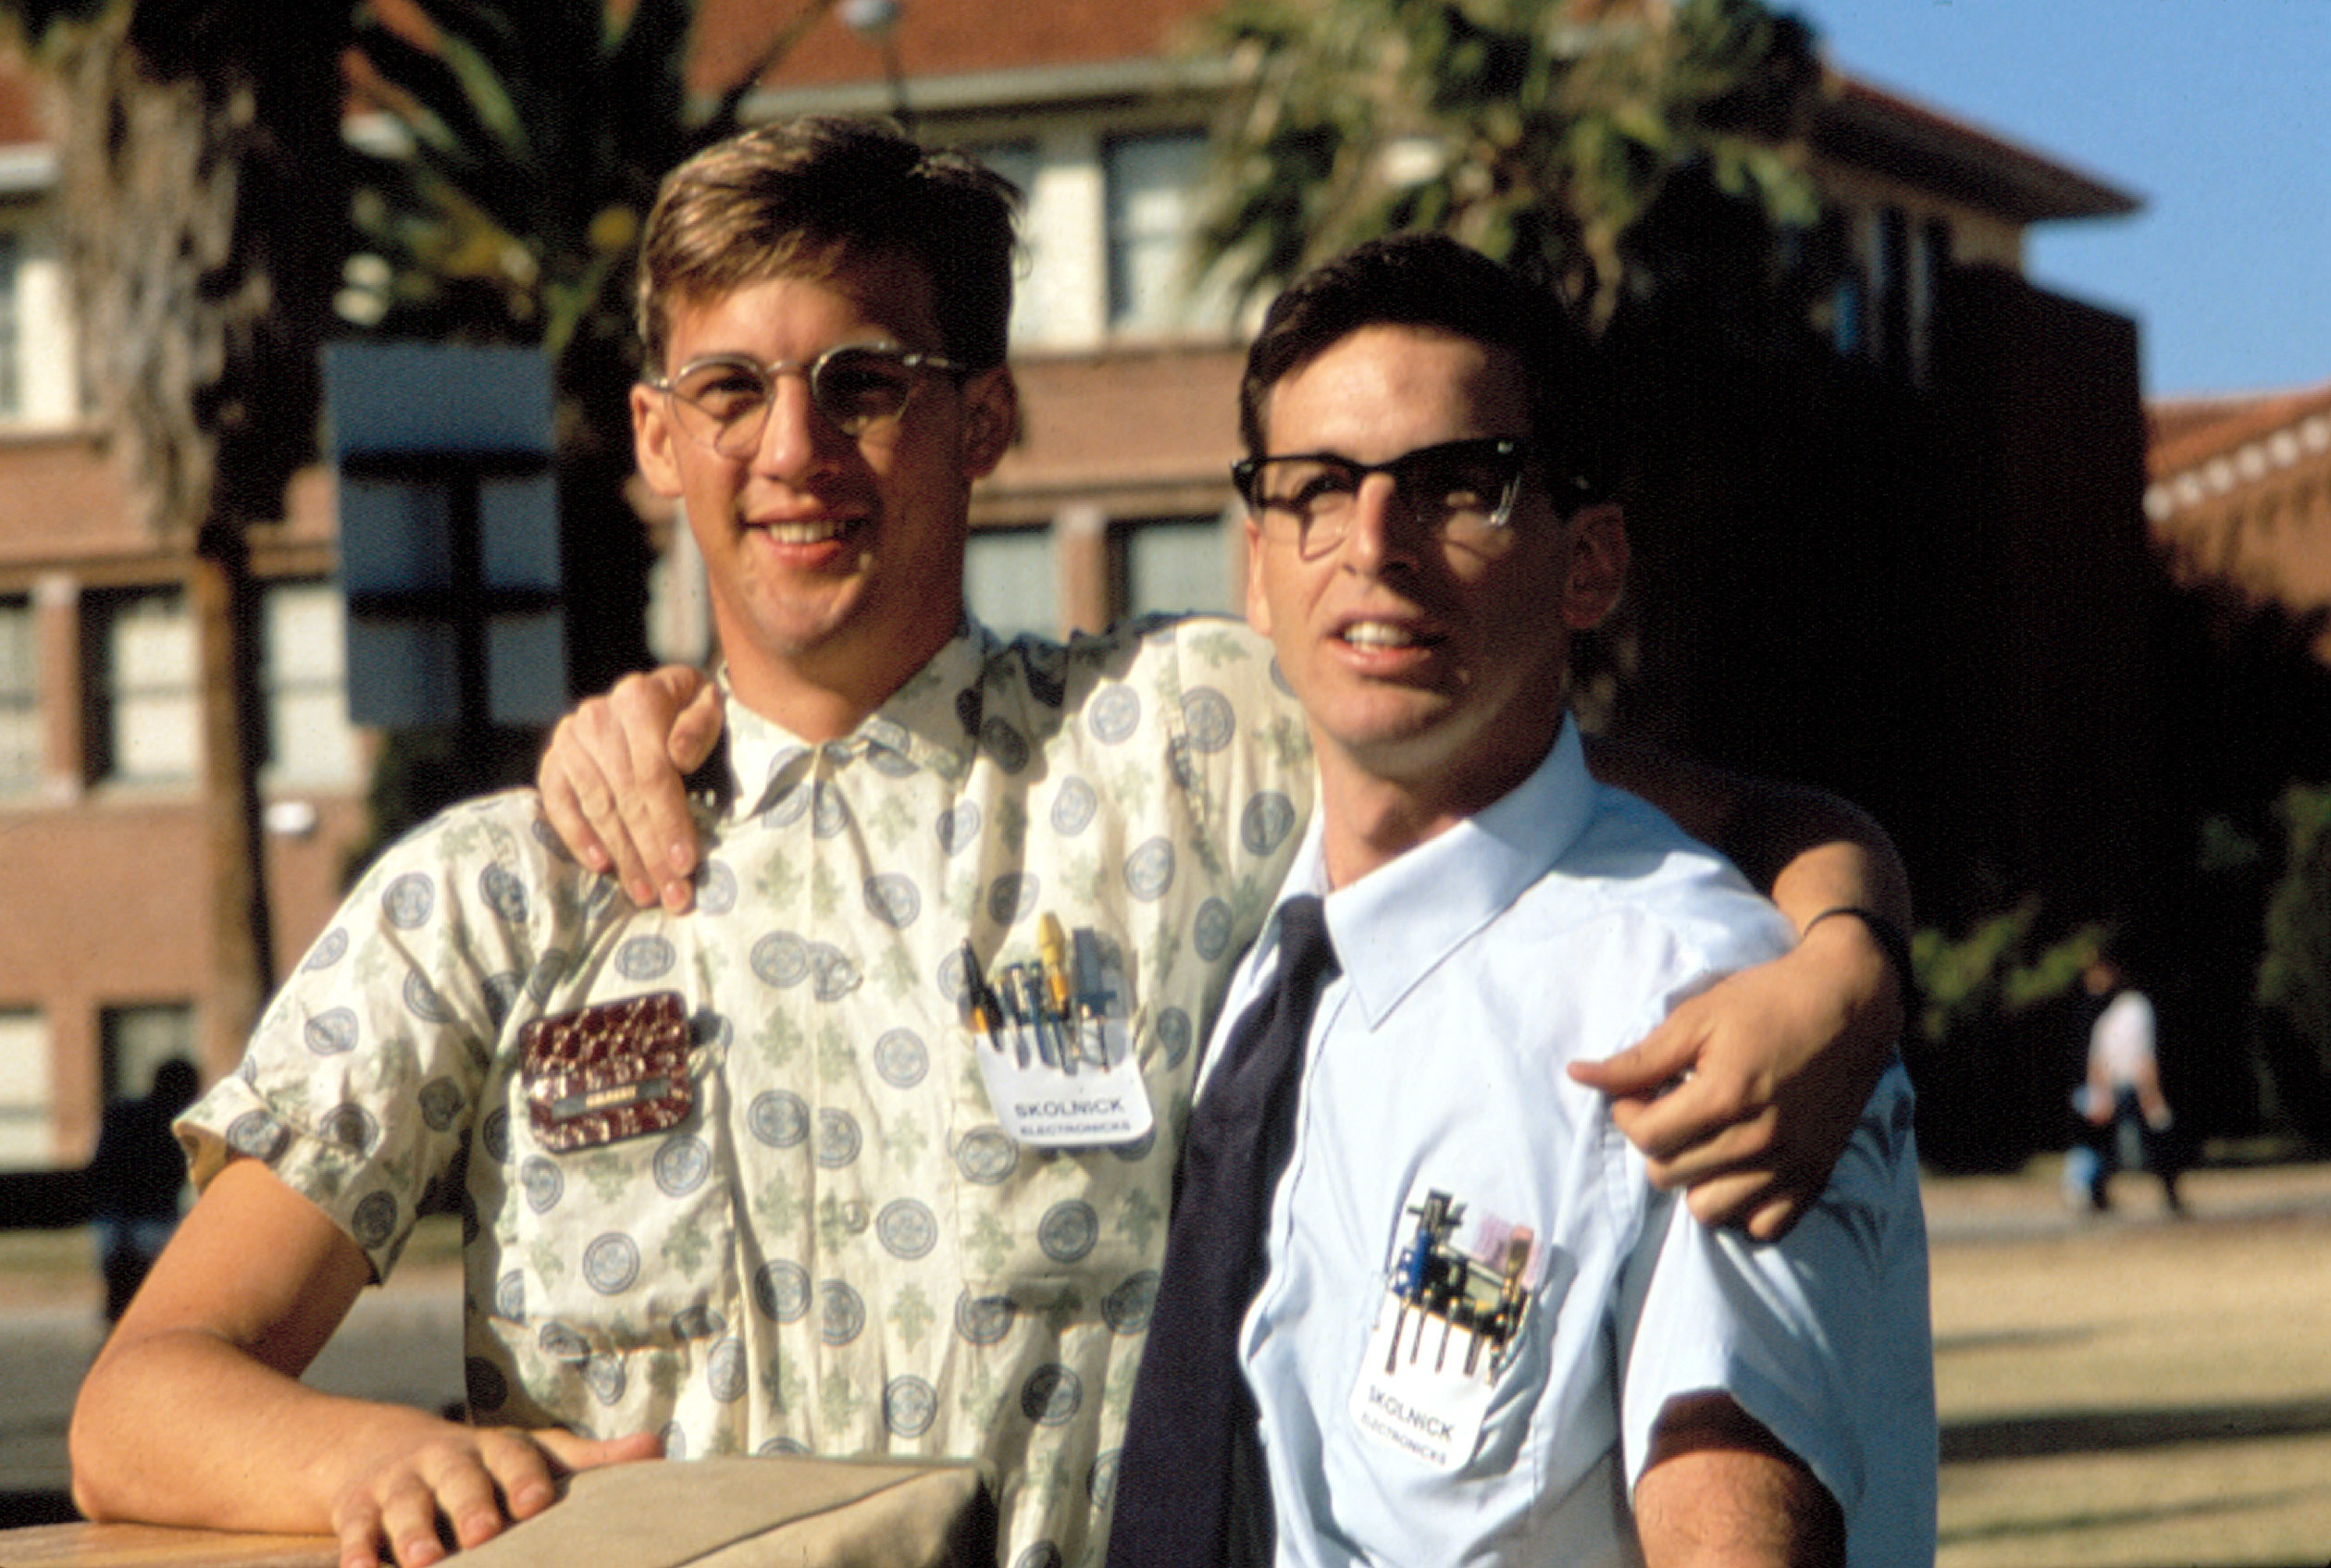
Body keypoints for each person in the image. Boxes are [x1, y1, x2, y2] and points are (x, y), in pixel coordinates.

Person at [72, 117, 1906, 1568]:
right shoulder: (493, 891)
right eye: (728, 390)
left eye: (863, 381)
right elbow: (147, 1393)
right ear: (651, 436)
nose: (793, 450)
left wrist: (1840, 963)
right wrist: (382, 1457)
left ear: (985, 418)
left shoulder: (1188, 740)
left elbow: (1687, 809)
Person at [1104, 233, 1932, 1566]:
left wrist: (1845, 955)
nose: (1372, 544)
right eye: (1317, 486)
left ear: (1587, 563)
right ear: (1255, 561)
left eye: (1455, 487)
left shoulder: (1691, 1000)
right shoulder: (1259, 919)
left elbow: (1728, 1504)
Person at [86, 1056, 202, 1323]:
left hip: (114, 1217)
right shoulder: (177, 1124)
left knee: (123, 1296)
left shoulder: (122, 1112)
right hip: (153, 1219)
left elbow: (102, 1165)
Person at [2067, 952, 2182, 1214]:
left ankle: (2170, 1194)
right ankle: (2096, 1195)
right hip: (2112, 1086)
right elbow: (2098, 1057)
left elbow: (2141, 1054)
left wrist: (2150, 1094)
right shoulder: (2100, 1009)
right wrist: (2100, 1092)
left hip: (2132, 1085)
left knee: (2154, 1139)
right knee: (2103, 1144)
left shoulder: (2133, 1008)